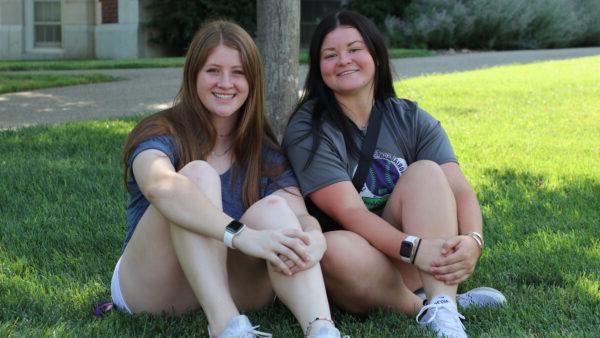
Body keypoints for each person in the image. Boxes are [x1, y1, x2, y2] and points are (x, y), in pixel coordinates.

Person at [111, 20, 343, 338]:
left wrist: (315, 237)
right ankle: (227, 327)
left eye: (238, 72)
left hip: (230, 284)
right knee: (197, 176)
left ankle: (322, 329)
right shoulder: (161, 131)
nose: (225, 83)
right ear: (193, 75)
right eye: (213, 71)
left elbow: (299, 216)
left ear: (252, 81)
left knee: (275, 208)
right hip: (152, 287)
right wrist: (240, 234)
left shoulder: (265, 153)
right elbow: (158, 185)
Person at [283, 10, 506, 338]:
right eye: (330, 55)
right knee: (332, 249)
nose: (344, 60)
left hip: (415, 260)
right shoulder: (308, 129)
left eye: (355, 49)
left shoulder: (410, 118)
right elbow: (351, 213)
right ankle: (428, 306)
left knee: (427, 173)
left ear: (375, 54)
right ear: (318, 68)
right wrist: (415, 248)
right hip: (359, 266)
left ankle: (443, 306)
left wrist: (474, 240)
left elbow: (458, 189)